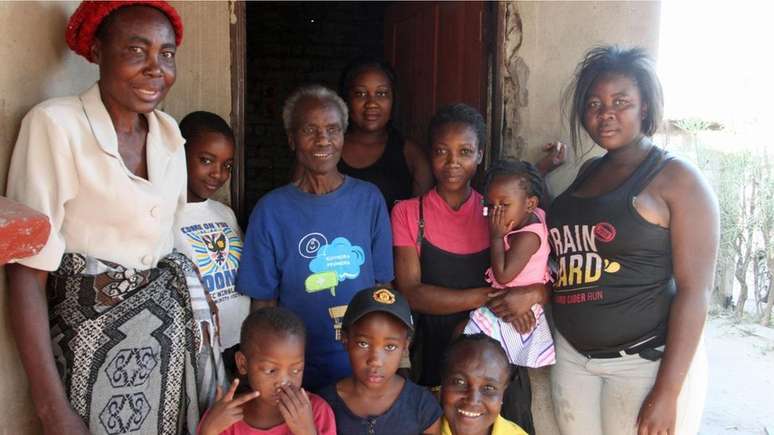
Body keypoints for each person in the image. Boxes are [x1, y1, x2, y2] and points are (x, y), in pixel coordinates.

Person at [4, 2, 206, 434]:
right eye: (136, 50)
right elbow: (26, 271)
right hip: (86, 353)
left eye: (166, 54)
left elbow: (169, 243)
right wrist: (52, 410)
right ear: (97, 51)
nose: (156, 68)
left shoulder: (170, 136)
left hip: (162, 347)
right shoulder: (56, 126)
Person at [548, 45, 717, 435]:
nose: (605, 112)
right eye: (594, 102)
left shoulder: (678, 180)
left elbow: (696, 292)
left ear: (644, 107)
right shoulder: (589, 171)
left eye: (620, 101)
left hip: (643, 363)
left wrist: (668, 391)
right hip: (574, 359)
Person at [391, 104, 546, 432]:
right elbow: (412, 293)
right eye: (441, 152)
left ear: (479, 154)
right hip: (433, 347)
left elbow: (540, 267)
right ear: (429, 154)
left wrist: (528, 294)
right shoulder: (408, 213)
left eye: (464, 152)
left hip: (497, 350)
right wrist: (493, 297)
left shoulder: (499, 211)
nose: (452, 163)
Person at [236, 85, 394, 391]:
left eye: (333, 129)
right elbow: (264, 305)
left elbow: (382, 288)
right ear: (291, 139)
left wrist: (387, 362)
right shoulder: (271, 210)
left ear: (343, 136)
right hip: (293, 372)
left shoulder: (368, 200)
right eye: (310, 129)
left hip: (359, 369)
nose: (323, 140)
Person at [176, 111, 252, 404]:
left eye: (227, 165)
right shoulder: (163, 216)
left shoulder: (225, 213)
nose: (218, 174)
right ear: (179, 153)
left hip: (240, 346)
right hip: (199, 352)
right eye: (206, 160)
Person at [463, 160, 555, 368]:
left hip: (516, 306)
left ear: (530, 204)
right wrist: (547, 168)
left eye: (504, 206)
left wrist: (496, 237)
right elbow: (529, 193)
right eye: (490, 206)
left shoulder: (527, 237)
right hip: (511, 300)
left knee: (481, 354)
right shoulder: (534, 214)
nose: (496, 213)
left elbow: (504, 275)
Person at [318, 286, 442, 434]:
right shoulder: (324, 405)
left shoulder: (422, 406)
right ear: (345, 340)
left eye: (390, 347)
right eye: (363, 344)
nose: (376, 360)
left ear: (405, 347)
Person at [198, 307, 336, 435]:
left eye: (296, 370)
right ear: (243, 364)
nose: (284, 382)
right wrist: (209, 430)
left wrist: (307, 431)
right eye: (271, 370)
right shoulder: (224, 418)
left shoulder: (316, 412)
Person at [337, 58, 433, 210]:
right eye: (361, 94)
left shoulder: (411, 155)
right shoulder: (326, 147)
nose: (371, 103)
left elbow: (421, 222)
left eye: (381, 93)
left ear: (393, 99)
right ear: (347, 100)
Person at [439, 334, 528, 435]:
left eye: (489, 388)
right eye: (459, 382)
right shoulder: (421, 426)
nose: (473, 400)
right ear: (442, 383)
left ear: (503, 393)